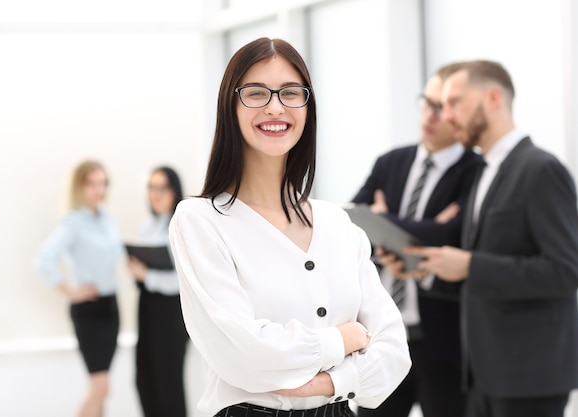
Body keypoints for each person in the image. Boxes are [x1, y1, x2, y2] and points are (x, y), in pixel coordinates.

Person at [168, 37, 411, 417]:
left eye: (290, 93)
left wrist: (332, 382)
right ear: (229, 107)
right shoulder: (200, 221)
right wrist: (342, 339)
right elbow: (244, 355)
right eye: (256, 93)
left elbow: (394, 351)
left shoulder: (337, 224)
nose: (275, 107)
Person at [405, 60, 578, 417]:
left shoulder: (540, 169)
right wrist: (430, 270)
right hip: (483, 376)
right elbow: (482, 274)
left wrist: (471, 264)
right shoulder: (485, 171)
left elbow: (565, 271)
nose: (446, 114)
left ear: (494, 97)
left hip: (529, 379)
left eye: (455, 102)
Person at [351, 63, 483, 417]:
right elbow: (351, 227)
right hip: (381, 335)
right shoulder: (391, 162)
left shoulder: (476, 172)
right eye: (427, 103)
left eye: (444, 107)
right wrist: (412, 232)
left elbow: (454, 238)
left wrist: (384, 222)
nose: (432, 115)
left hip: (443, 340)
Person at [34, 159, 123, 417]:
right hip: (89, 311)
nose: (99, 190)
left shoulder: (107, 219)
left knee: (102, 389)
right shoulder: (72, 222)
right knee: (100, 389)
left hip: (111, 308)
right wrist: (70, 291)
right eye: (92, 184)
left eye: (103, 183)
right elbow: (42, 261)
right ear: (79, 187)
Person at [127, 166, 189, 417]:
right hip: (148, 308)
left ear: (174, 191)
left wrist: (147, 275)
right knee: (145, 380)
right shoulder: (149, 227)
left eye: (162, 188)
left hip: (170, 314)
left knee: (168, 385)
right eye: (151, 187)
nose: (155, 194)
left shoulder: (182, 226)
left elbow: (184, 281)